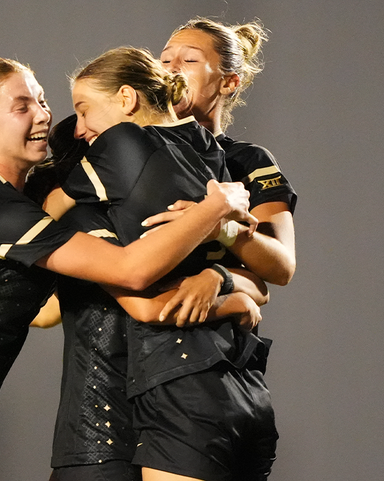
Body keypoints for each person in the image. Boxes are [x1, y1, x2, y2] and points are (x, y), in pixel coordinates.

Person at [0, 57, 255, 481]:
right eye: (22, 106)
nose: (43, 114)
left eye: (41, 101)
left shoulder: (29, 193)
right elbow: (132, 271)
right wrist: (216, 206)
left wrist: (220, 284)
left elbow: (41, 309)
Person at [51, 46, 284, 481]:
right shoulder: (210, 156)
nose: (84, 131)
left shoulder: (118, 150)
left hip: (169, 397)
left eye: (83, 112)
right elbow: (264, 285)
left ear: (125, 100)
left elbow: (146, 299)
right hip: (245, 387)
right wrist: (226, 278)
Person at [155, 17, 297, 287]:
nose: (171, 69)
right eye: (164, 60)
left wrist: (220, 229)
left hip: (212, 325)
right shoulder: (132, 150)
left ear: (229, 83)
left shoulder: (248, 161)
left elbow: (282, 268)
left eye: (190, 61)